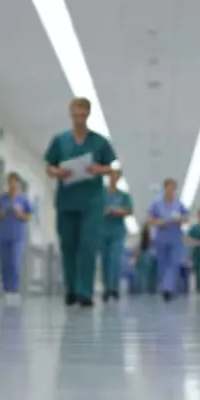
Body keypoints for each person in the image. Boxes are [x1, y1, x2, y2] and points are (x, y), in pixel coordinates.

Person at [44, 97, 118, 307]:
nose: (78, 117)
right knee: (68, 245)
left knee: (87, 246)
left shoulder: (99, 142)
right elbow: (49, 166)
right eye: (75, 113)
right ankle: (71, 289)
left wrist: (98, 169)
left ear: (87, 114)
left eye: (82, 113)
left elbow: (111, 168)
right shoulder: (60, 140)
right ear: (70, 113)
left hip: (92, 201)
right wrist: (57, 171)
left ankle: (85, 292)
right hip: (67, 199)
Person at [147, 178, 191, 301]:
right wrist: (158, 222)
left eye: (172, 188)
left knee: (174, 263)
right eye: (168, 188)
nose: (170, 191)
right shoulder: (157, 204)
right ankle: (165, 287)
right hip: (161, 237)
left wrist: (180, 219)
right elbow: (150, 218)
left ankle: (168, 289)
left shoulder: (178, 204)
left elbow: (186, 217)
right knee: (163, 264)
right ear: (165, 188)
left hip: (175, 237)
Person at [0, 172, 32, 296]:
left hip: (18, 235)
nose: (12, 184)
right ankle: (6, 288)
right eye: (9, 181)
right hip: (3, 235)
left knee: (15, 261)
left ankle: (13, 288)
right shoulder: (1, 199)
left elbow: (28, 217)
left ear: (18, 183)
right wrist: (2, 213)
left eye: (14, 181)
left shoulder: (24, 199)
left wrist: (19, 213)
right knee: (4, 262)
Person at [100, 169, 135, 301]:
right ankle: (106, 288)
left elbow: (129, 210)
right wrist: (104, 211)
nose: (114, 178)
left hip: (117, 231)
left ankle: (113, 289)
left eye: (117, 176)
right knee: (105, 260)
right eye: (112, 176)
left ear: (119, 178)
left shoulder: (124, 196)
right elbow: (95, 208)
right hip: (102, 230)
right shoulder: (101, 194)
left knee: (114, 259)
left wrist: (118, 211)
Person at [133, 227, 157, 295]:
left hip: (146, 261)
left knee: (143, 279)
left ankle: (143, 291)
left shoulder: (149, 243)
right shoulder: (144, 244)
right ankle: (149, 291)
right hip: (146, 261)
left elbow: (137, 253)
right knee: (148, 279)